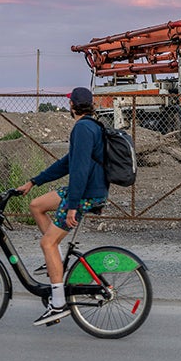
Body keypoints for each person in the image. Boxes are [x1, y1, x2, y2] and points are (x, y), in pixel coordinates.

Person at [15, 87, 108, 326]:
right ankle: (55, 259)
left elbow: (80, 171)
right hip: (86, 189)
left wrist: (73, 207)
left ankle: (57, 303)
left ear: (73, 106)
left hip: (86, 193)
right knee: (37, 205)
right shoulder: (89, 126)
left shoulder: (83, 129)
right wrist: (34, 181)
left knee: (47, 242)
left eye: (69, 103)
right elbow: (68, 163)